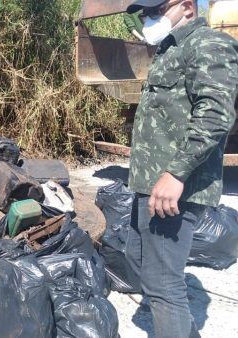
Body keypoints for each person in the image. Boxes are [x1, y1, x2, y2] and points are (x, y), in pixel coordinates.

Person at [125, 1, 237, 337]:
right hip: (150, 184)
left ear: (186, 6)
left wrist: (176, 174)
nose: (147, 19)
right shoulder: (171, 47)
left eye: (154, 10)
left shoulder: (208, 44)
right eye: (143, 14)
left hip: (174, 187)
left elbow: (216, 116)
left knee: (164, 287)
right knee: (138, 261)